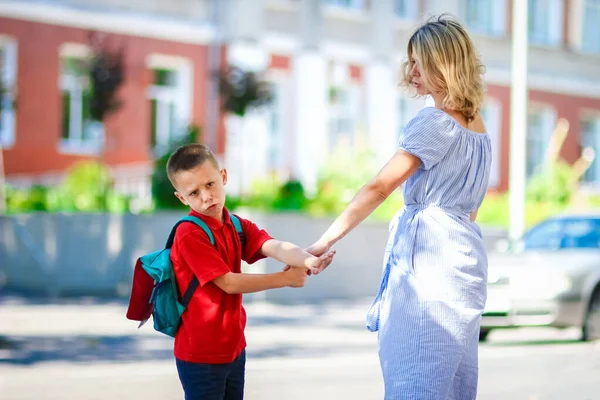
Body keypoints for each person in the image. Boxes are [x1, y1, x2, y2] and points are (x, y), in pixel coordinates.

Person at [306, 15, 492, 399]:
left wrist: (323, 242)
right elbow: (472, 208)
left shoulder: (434, 122)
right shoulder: (480, 130)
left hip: (427, 272)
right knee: (451, 382)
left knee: (415, 377)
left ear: (441, 63)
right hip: (465, 261)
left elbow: (379, 187)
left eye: (418, 62)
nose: (411, 72)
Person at [166, 143, 335, 400]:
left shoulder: (235, 224)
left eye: (210, 184)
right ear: (181, 198)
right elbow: (228, 283)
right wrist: (284, 279)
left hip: (233, 348)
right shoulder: (189, 233)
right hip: (201, 355)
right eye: (194, 192)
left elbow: (274, 247)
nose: (206, 197)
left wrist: (309, 261)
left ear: (223, 176)